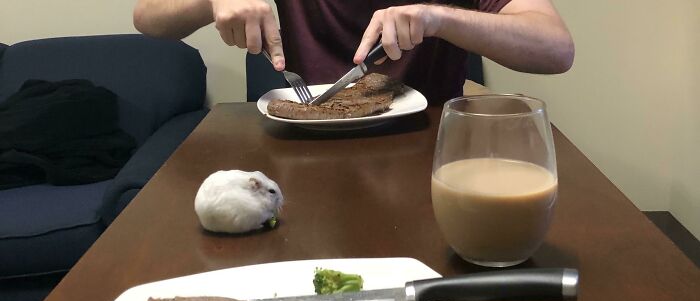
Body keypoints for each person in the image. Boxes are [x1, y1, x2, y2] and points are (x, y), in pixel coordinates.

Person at [133, 1, 574, 104]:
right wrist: (211, 1)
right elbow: (148, 18)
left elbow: (556, 48)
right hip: (306, 158)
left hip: (430, 155)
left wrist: (441, 19)